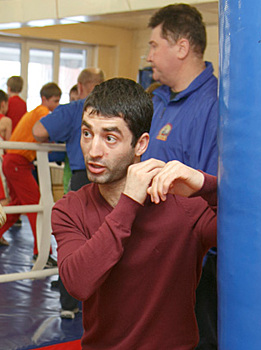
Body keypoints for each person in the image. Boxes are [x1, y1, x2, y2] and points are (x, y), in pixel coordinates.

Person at [52, 78, 217, 349]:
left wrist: (204, 184)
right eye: (87, 133)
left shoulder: (185, 206)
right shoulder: (70, 209)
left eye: (110, 138)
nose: (93, 151)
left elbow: (251, 232)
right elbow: (77, 284)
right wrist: (129, 202)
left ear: (140, 145)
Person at [143, 4, 219, 349]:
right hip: (154, 256)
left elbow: (213, 194)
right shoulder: (160, 101)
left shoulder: (215, 105)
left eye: (154, 45)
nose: (148, 56)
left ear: (182, 47)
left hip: (192, 266)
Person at [33, 68, 104, 318]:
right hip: (115, 181)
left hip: (83, 179)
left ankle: (69, 304)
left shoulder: (78, 108)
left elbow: (38, 131)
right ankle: (103, 303)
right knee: (110, 240)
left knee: (72, 242)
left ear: (81, 87)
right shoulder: (115, 108)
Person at [0, 83, 61, 260]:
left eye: (59, 101)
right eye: (55, 100)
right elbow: (48, 130)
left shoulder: (34, 112)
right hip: (17, 162)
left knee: (17, 205)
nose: (57, 104)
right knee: (37, 208)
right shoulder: (42, 111)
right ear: (44, 99)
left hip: (13, 161)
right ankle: (42, 254)